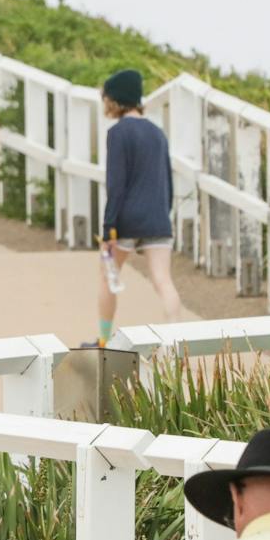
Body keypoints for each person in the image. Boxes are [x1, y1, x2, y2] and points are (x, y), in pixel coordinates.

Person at [97, 68, 184, 344]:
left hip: (126, 221)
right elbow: (167, 181)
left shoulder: (118, 133)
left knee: (108, 278)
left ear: (115, 100)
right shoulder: (158, 133)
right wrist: (164, 215)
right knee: (163, 280)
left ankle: (104, 340)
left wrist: (108, 227)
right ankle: (175, 342)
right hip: (158, 219)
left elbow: (116, 185)